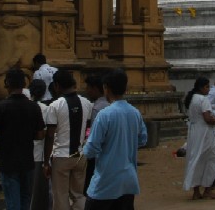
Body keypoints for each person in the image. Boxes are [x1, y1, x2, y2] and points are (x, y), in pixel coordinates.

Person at [83, 69, 148, 210]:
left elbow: (91, 149)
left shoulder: (104, 115)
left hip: (106, 180)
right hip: (128, 180)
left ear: (106, 88)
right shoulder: (134, 112)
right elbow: (143, 139)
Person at [0, 68, 46, 210]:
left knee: (13, 202)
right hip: (27, 159)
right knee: (25, 200)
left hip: (8, 160)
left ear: (7, 84)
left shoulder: (0, 108)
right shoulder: (34, 107)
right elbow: (40, 135)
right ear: (24, 84)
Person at [44, 69, 93, 210]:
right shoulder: (87, 103)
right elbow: (87, 128)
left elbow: (50, 135)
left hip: (61, 156)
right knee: (78, 194)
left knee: (60, 196)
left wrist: (46, 162)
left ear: (57, 86)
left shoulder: (55, 106)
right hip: (80, 154)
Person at [183, 76, 215, 199]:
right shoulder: (203, 100)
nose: (208, 89)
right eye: (207, 87)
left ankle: (196, 191)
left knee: (196, 159)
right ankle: (207, 188)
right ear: (201, 88)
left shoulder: (192, 99)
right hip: (205, 133)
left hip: (194, 132)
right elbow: (207, 119)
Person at [83, 74, 111, 195]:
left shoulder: (97, 109)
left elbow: (94, 136)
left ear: (95, 88)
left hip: (98, 156)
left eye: (88, 87)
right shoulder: (111, 106)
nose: (87, 91)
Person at [29, 80, 52, 210]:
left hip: (27, 151)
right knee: (37, 190)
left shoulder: (26, 107)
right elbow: (48, 133)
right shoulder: (46, 109)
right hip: (39, 152)